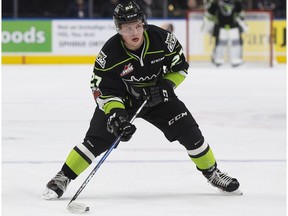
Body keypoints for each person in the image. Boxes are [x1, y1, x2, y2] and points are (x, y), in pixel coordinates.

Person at [42, 1, 241, 200]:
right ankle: (63, 177)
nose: (134, 32)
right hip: (122, 101)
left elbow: (180, 68)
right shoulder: (109, 54)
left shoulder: (162, 39)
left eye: (138, 25)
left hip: (157, 97)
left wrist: (165, 87)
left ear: (144, 23)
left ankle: (212, 173)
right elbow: (102, 90)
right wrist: (117, 116)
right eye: (127, 28)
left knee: (190, 132)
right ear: (118, 29)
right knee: (95, 142)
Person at [204, 0, 248, 67]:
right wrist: (208, 26)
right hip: (221, 26)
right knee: (220, 43)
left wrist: (244, 24)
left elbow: (241, 15)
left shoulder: (236, 3)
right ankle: (218, 60)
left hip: (233, 26)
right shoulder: (215, 3)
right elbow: (210, 15)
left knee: (235, 43)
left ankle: (236, 59)